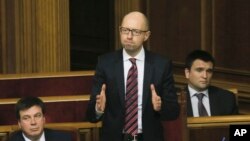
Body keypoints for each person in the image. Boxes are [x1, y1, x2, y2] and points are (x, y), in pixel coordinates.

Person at [86, 11, 179, 141]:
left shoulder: (161, 65)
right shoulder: (105, 63)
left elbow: (173, 112)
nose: (129, 36)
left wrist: (160, 107)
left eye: (135, 32)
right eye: (125, 30)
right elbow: (90, 115)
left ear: (146, 35)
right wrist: (98, 109)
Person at [184, 50, 238, 117]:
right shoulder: (175, 100)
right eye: (199, 70)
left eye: (209, 71)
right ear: (187, 73)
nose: (205, 76)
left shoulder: (227, 98)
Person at [8, 96, 73, 141]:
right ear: (19, 123)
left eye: (37, 116)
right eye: (26, 118)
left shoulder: (63, 138)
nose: (33, 122)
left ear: (44, 119)